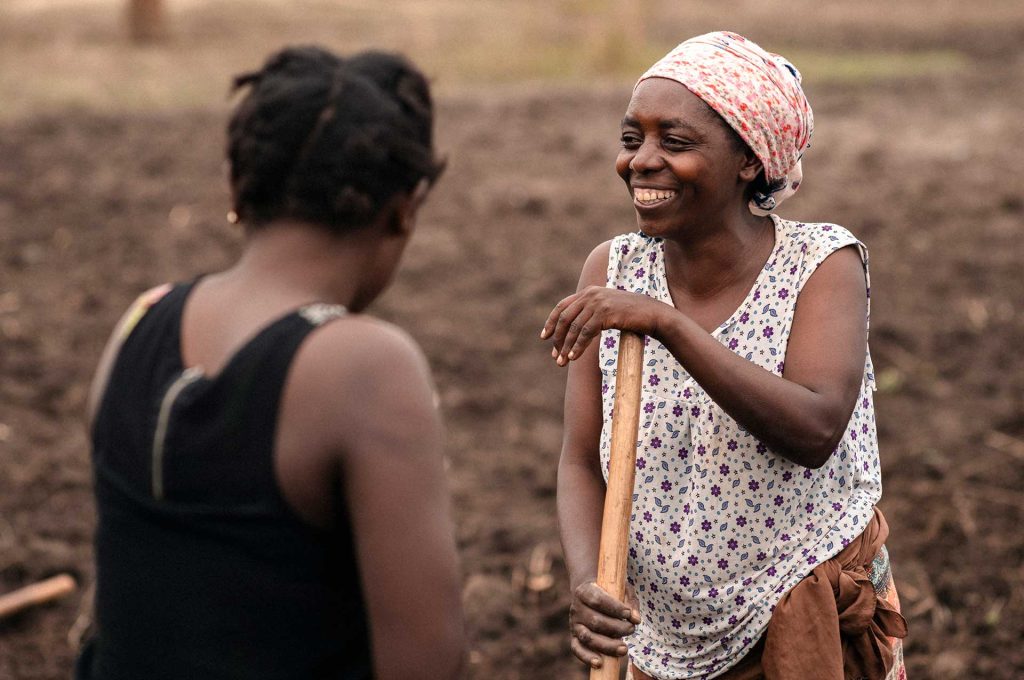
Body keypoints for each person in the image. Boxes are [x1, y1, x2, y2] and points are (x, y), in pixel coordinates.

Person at [77, 46, 465, 680]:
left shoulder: (139, 322)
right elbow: (429, 661)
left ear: (236, 182)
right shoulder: (366, 368)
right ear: (404, 210)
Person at [543, 32, 907, 680]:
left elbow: (815, 427)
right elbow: (579, 457)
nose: (641, 162)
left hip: (797, 605)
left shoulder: (821, 263)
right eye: (633, 139)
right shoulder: (614, 267)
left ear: (748, 159)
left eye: (674, 143)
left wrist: (667, 324)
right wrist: (588, 582)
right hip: (662, 632)